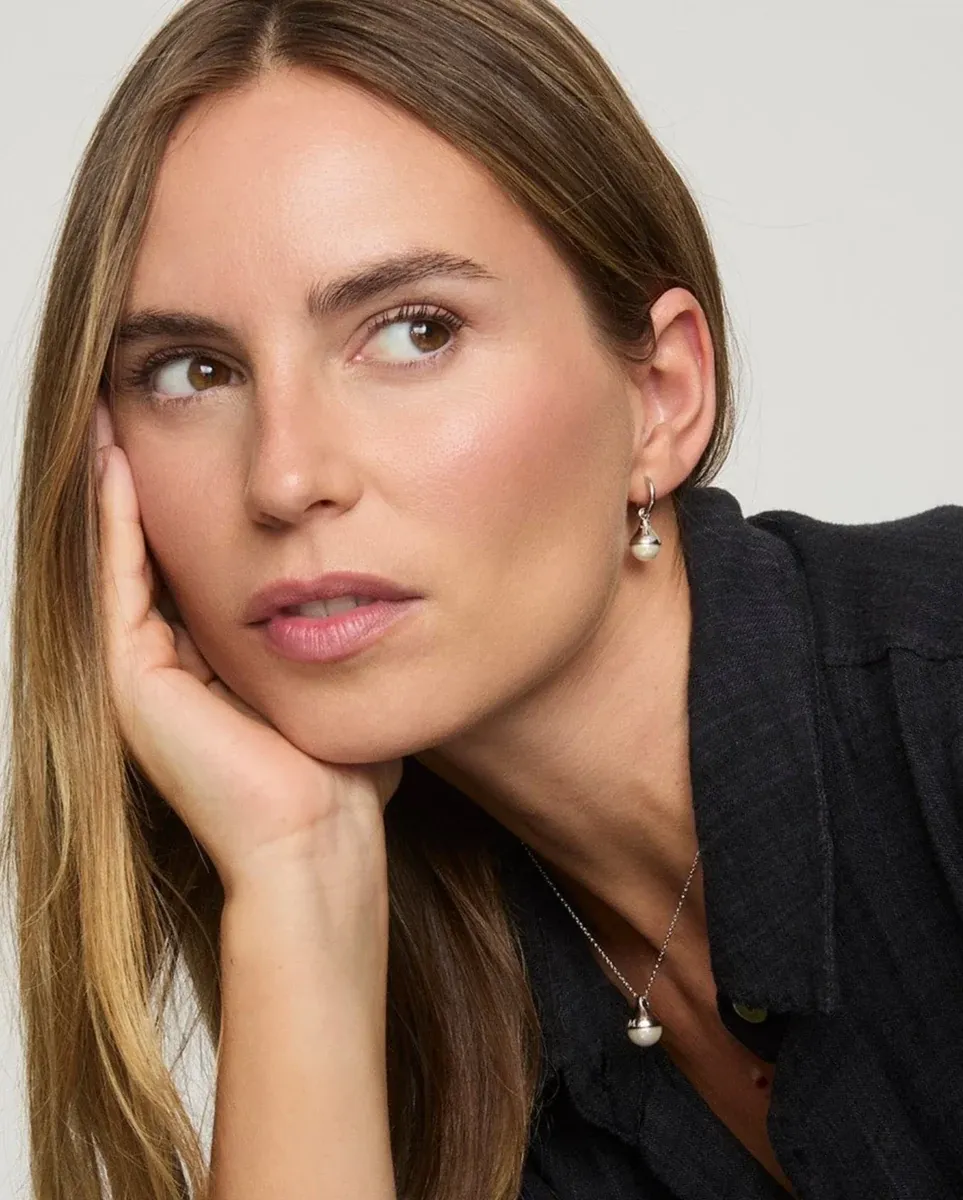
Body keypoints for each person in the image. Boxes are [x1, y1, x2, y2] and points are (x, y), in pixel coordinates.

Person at [3, 0, 962, 1197]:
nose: (286, 478)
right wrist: (299, 874)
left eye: (415, 331)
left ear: (661, 396)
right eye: (194, 372)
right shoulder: (435, 1013)